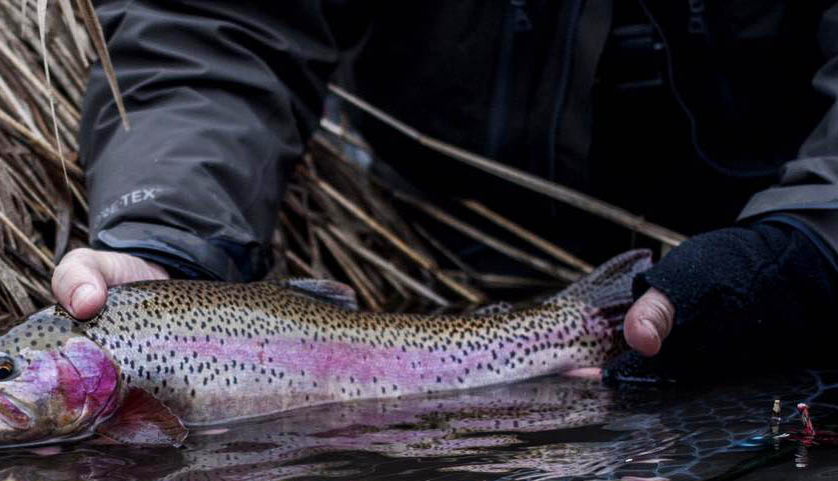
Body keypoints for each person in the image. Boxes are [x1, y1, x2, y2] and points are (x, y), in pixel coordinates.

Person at [52, 2, 838, 381]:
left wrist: (807, 248)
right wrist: (166, 236)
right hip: (436, 247)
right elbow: (219, 24)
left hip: (784, 234)